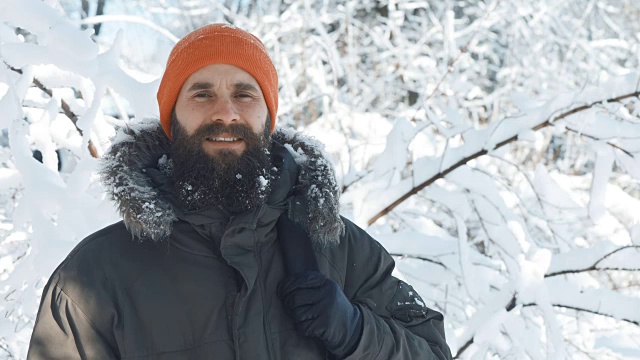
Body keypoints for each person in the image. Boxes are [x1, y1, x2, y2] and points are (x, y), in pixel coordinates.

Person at [27, 24, 453, 360]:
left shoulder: (341, 250)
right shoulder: (95, 276)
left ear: (269, 117)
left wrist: (356, 333)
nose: (225, 112)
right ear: (171, 120)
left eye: (244, 94)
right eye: (202, 93)